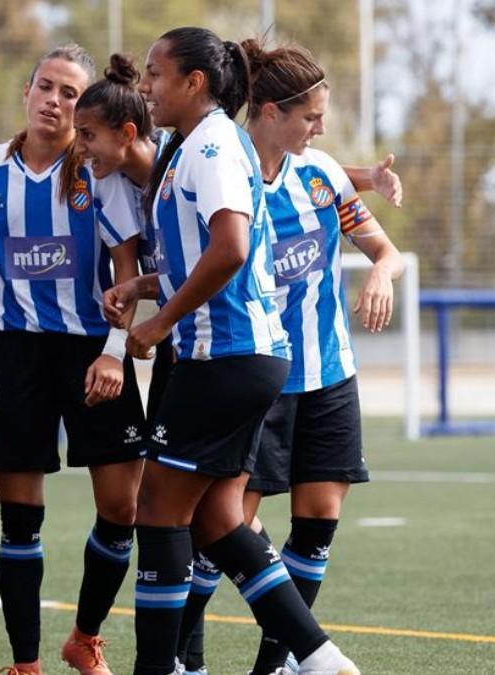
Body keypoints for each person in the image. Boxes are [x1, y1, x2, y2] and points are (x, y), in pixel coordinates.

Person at [102, 27, 359, 675]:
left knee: (159, 504)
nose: (148, 88)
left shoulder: (213, 144)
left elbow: (232, 250)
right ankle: (319, 656)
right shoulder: (199, 145)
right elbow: (208, 253)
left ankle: (158, 667)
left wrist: (159, 324)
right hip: (245, 355)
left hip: (228, 355)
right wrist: (141, 283)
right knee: (218, 518)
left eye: (158, 75)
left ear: (196, 83)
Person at [0, 45, 147, 675]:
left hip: (95, 353)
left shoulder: (98, 173)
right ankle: (25, 663)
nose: (55, 101)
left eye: (69, 93)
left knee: (123, 509)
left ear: (83, 105)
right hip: (17, 354)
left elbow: (128, 270)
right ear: (27, 90)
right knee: (20, 519)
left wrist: (117, 352)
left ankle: (85, 636)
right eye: (46, 86)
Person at [233, 37, 402, 675]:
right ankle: (183, 658)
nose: (321, 128)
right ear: (270, 111)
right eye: (311, 117)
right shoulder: (229, 173)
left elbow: (382, 250)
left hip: (330, 372)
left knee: (319, 519)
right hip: (257, 376)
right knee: (228, 530)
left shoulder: (322, 174)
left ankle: (277, 664)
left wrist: (381, 273)